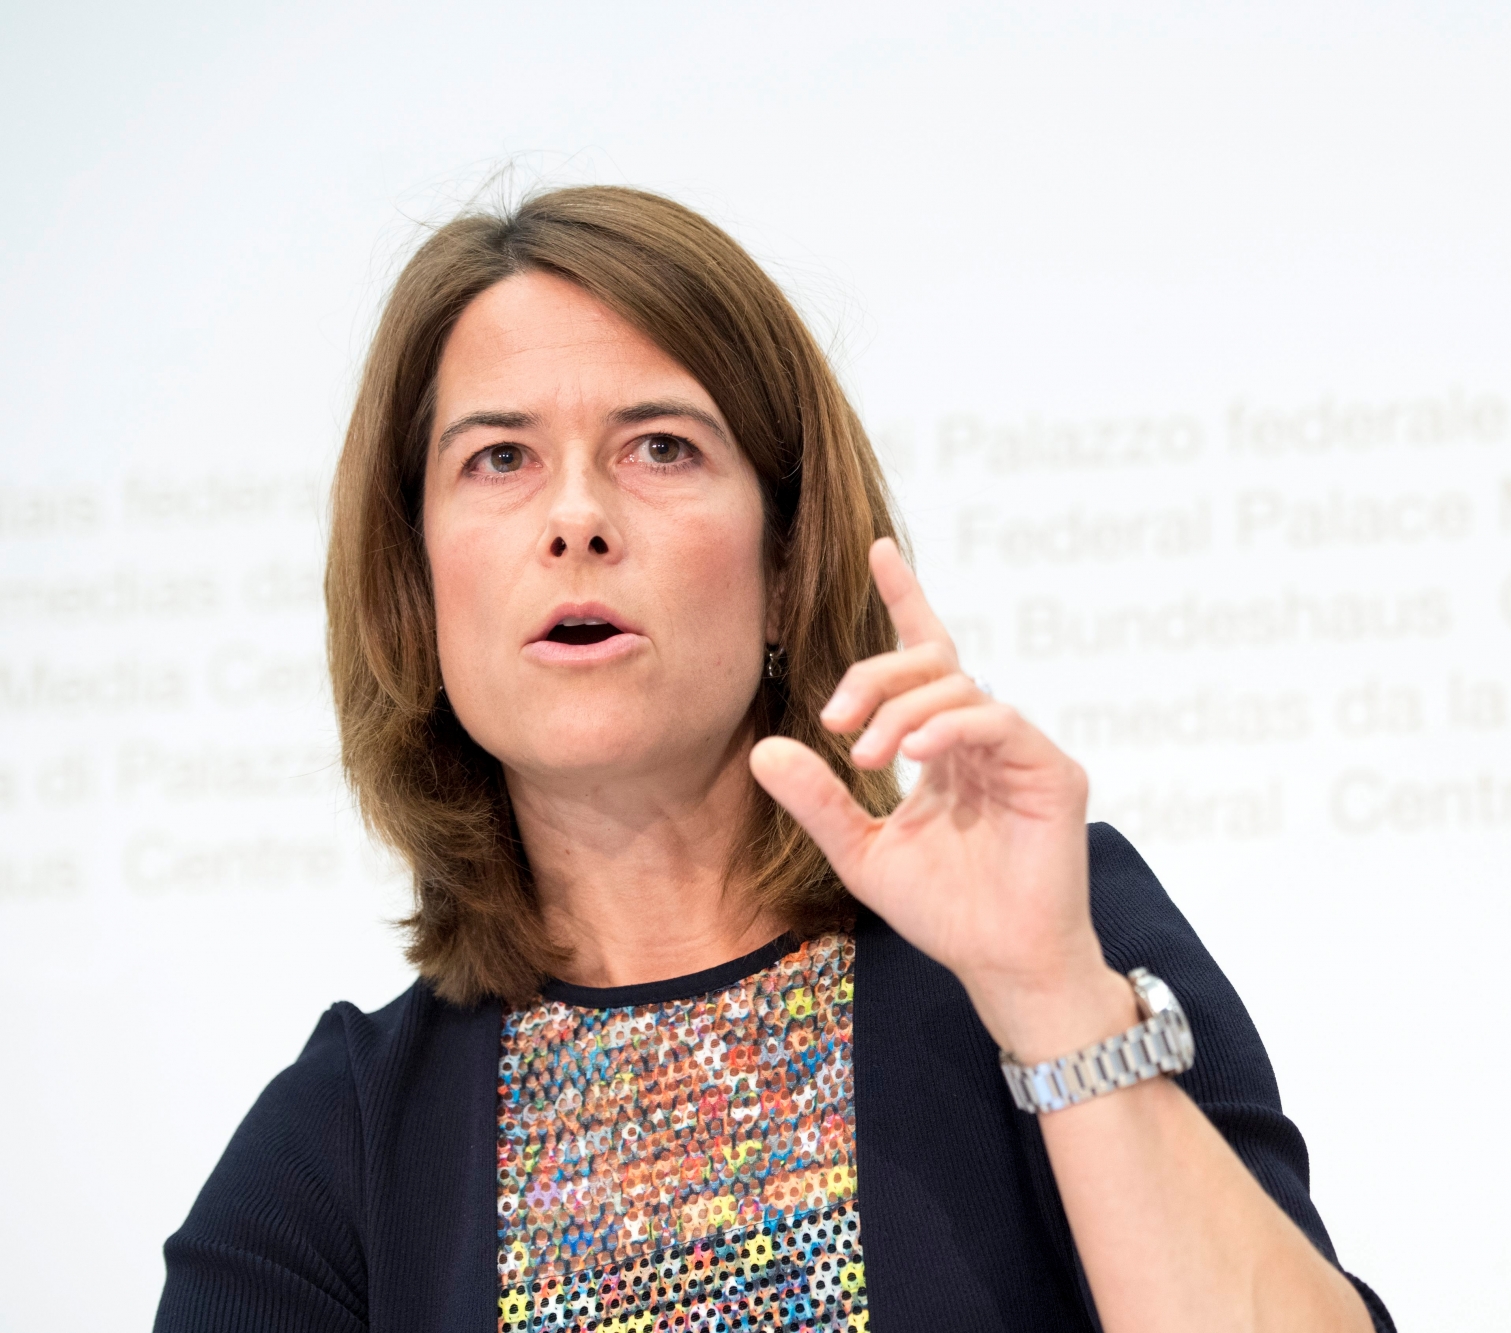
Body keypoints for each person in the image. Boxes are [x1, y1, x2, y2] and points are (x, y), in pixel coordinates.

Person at [153, 185, 1395, 1333]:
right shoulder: (335, 1150)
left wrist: (1049, 1003)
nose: (575, 516)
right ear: (417, 594)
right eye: (499, 458)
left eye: (660, 447)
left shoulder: (1055, 932)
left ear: (788, 568)